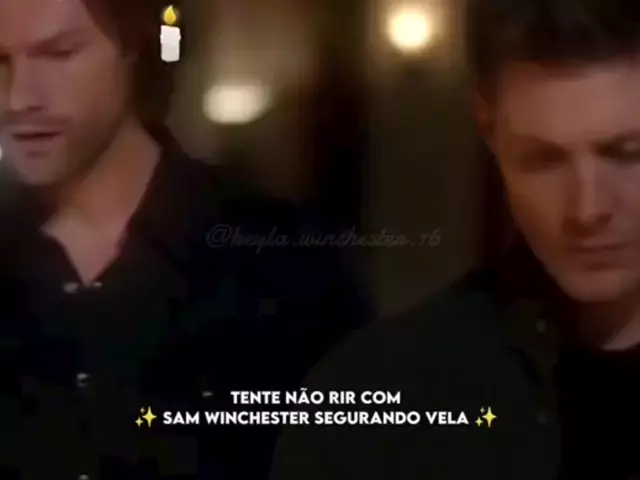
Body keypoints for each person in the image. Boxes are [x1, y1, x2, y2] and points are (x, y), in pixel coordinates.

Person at [270, 0, 640, 479]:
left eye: (627, 154)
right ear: (489, 132)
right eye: (543, 161)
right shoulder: (384, 396)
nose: (587, 209)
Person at [0, 0, 369, 478]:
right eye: (0, 62)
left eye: (59, 54)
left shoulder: (282, 262)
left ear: (134, 49)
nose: (19, 99)